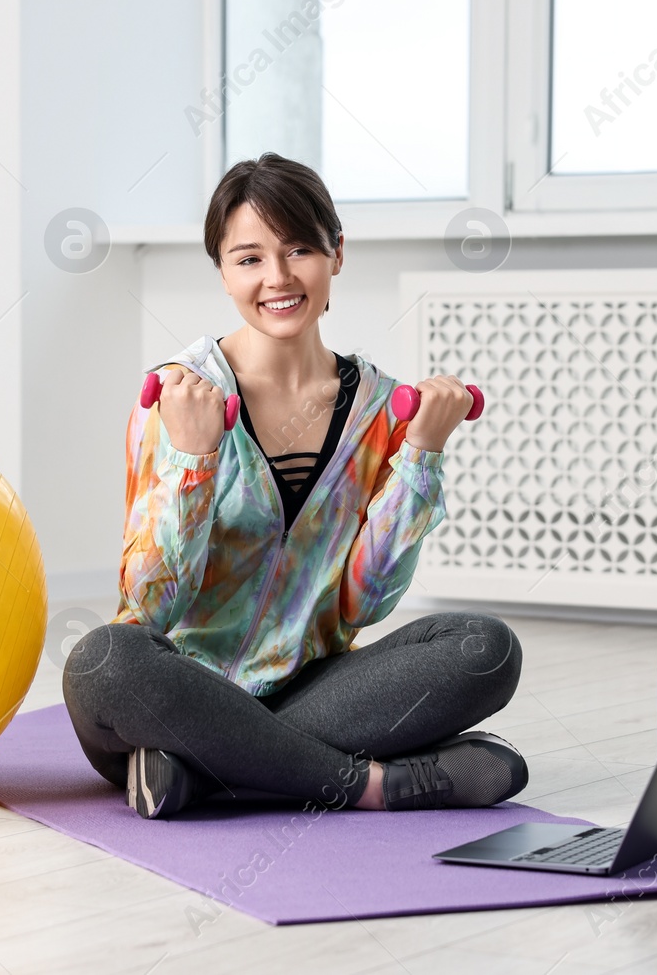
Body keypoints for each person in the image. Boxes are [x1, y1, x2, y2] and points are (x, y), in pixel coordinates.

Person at [62, 153, 527, 820]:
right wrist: (194, 462)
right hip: (171, 690)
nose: (276, 278)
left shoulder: (382, 410)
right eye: (248, 258)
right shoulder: (178, 396)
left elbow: (362, 606)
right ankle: (364, 783)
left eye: (299, 249)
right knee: (104, 658)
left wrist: (421, 455)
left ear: (336, 253)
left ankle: (209, 768)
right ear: (222, 271)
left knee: (486, 650)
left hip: (312, 690)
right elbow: (149, 606)